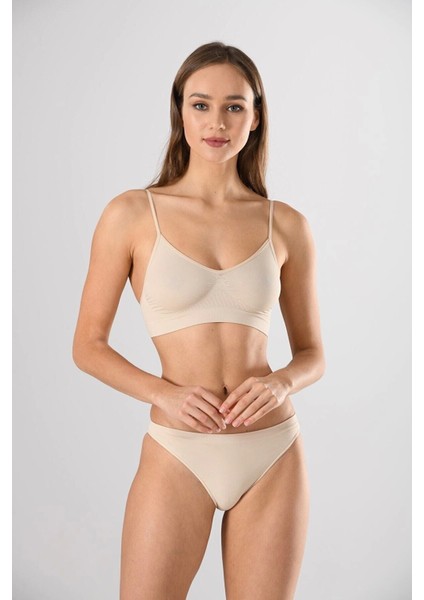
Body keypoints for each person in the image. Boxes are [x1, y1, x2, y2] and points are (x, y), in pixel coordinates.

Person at [72, 41, 325, 600]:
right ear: (180, 113)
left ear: (255, 117)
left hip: (272, 448)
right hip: (178, 448)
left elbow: (313, 355)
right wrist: (163, 394)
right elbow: (88, 345)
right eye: (201, 105)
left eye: (235, 106)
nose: (217, 122)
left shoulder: (287, 225)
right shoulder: (131, 214)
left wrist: (281, 382)